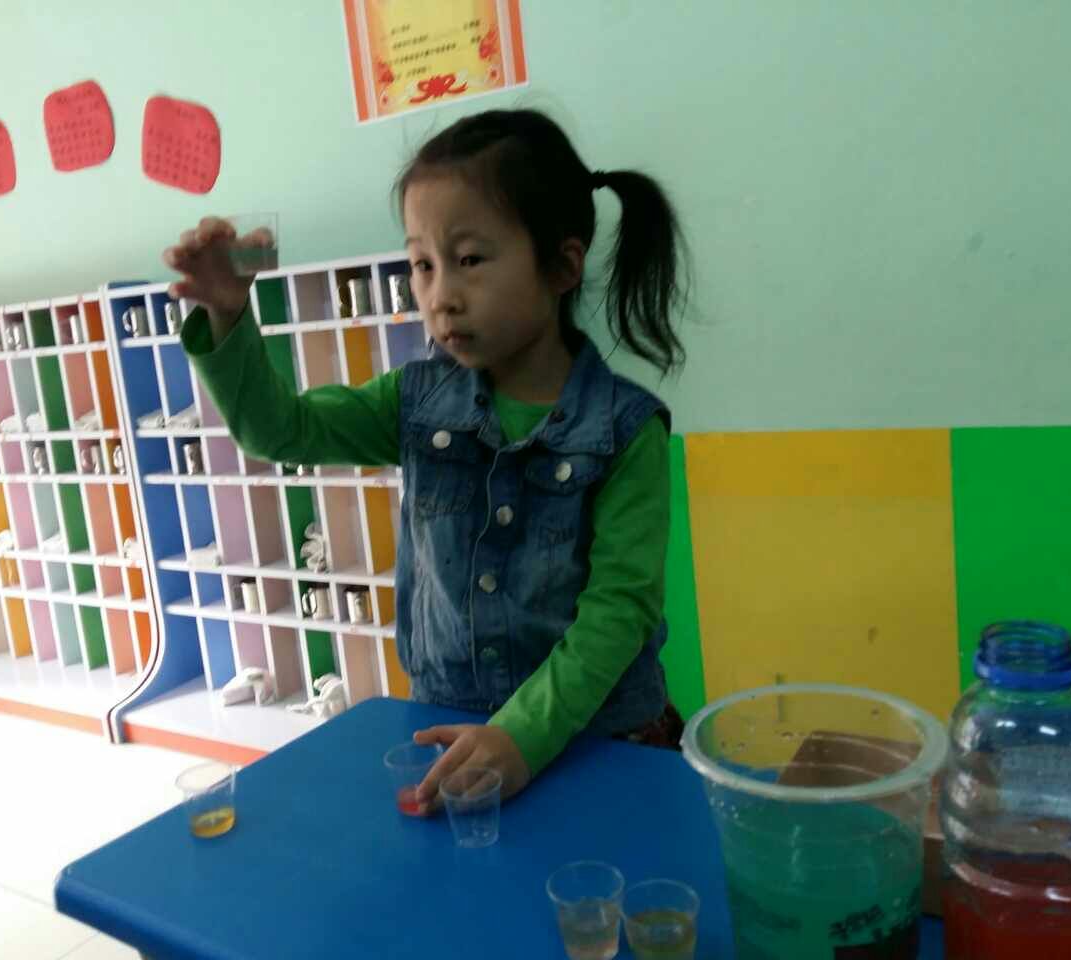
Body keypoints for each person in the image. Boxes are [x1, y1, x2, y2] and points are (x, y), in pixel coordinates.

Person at [163, 108, 687, 809]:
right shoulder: (416, 403)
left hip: (605, 746)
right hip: (451, 734)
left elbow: (617, 615)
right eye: (422, 265)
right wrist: (229, 316)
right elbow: (281, 432)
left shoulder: (626, 430)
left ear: (562, 265)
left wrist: (519, 739)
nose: (441, 297)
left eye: (469, 260)